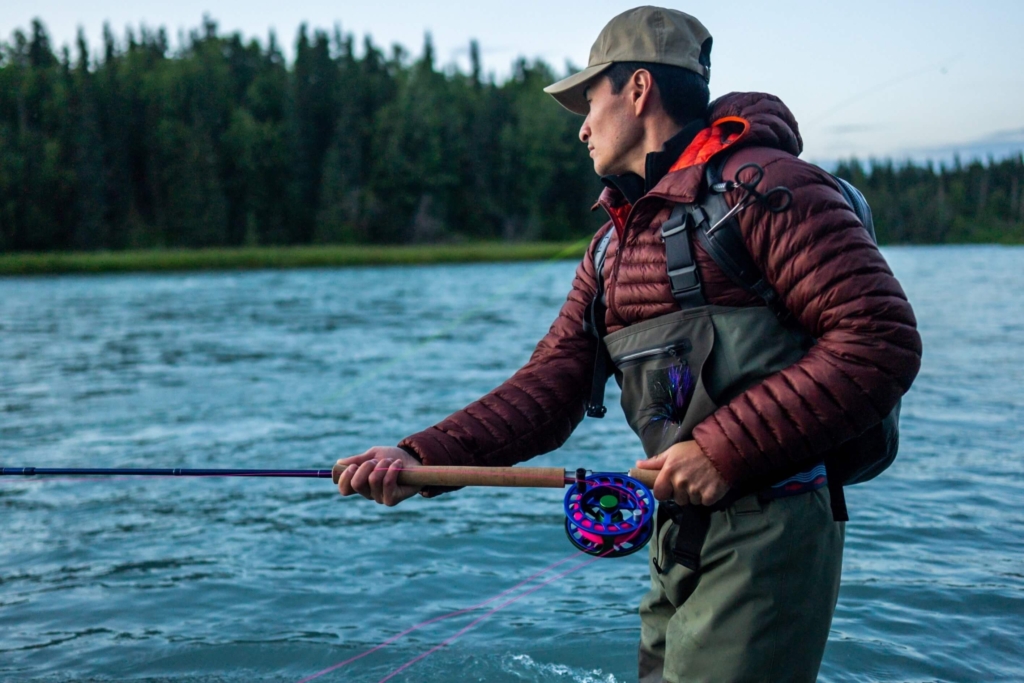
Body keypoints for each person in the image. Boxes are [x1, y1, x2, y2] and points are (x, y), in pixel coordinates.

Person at [336, 7, 922, 682]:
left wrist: (721, 449)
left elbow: (879, 340)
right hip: (677, 535)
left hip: (774, 530)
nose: (582, 126)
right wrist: (416, 455)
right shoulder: (612, 242)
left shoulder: (773, 189)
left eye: (590, 100)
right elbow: (549, 386)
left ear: (638, 90)